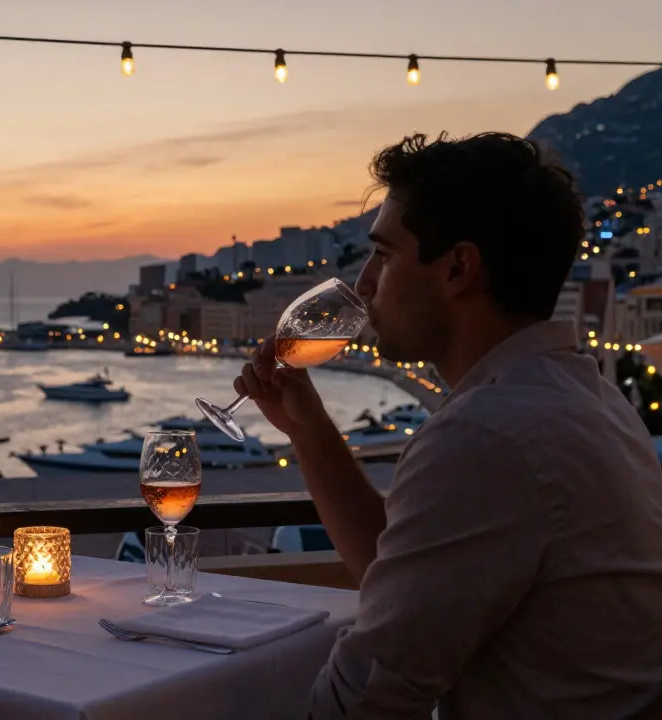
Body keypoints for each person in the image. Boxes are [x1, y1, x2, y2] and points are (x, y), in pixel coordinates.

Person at [236, 132, 662, 718]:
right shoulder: (594, 403)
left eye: (384, 255)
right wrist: (309, 431)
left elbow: (366, 696)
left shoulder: (486, 437)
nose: (363, 284)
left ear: (458, 268)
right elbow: (405, 580)